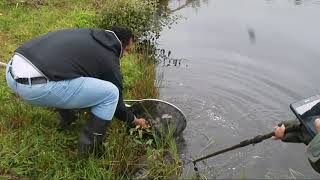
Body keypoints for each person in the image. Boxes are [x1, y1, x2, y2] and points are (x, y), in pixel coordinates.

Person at [5, 27, 148, 153]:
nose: (126, 55)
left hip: (12, 69)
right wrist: (135, 121)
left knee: (70, 72)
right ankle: (88, 150)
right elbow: (118, 106)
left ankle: (68, 118)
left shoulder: (88, 34)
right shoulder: (109, 61)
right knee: (111, 94)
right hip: (32, 88)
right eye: (127, 50)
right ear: (121, 45)